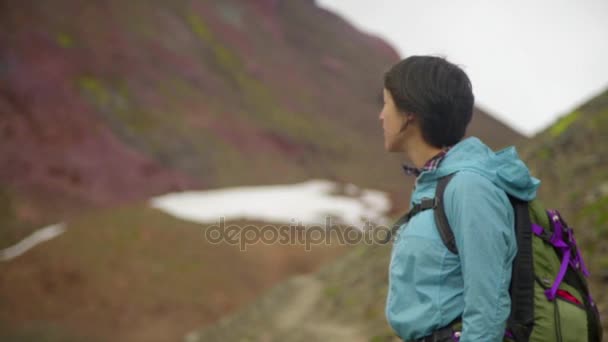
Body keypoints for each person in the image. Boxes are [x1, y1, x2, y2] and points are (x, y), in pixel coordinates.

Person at [380, 55, 540, 341]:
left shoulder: (468, 187)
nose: (381, 115)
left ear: (409, 114)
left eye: (386, 104)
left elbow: (487, 307)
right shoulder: (433, 186)